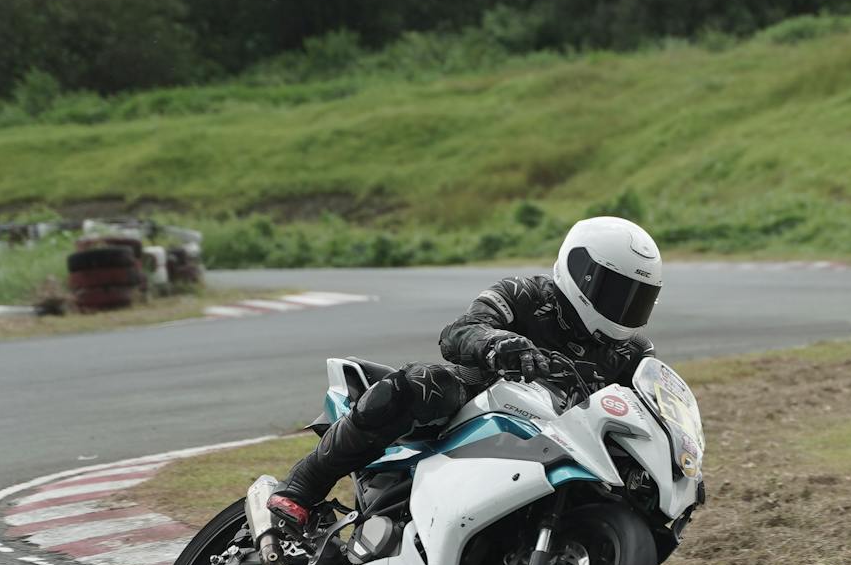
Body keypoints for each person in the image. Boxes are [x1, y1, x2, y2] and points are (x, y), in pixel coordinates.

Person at [263, 215, 665, 539]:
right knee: (424, 382)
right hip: (483, 398)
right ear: (583, 274)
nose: (624, 307)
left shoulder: (632, 352)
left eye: (638, 297)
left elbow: (646, 406)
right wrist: (499, 345)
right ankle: (305, 482)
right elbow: (459, 331)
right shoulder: (527, 294)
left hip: (564, 439)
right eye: (616, 291)